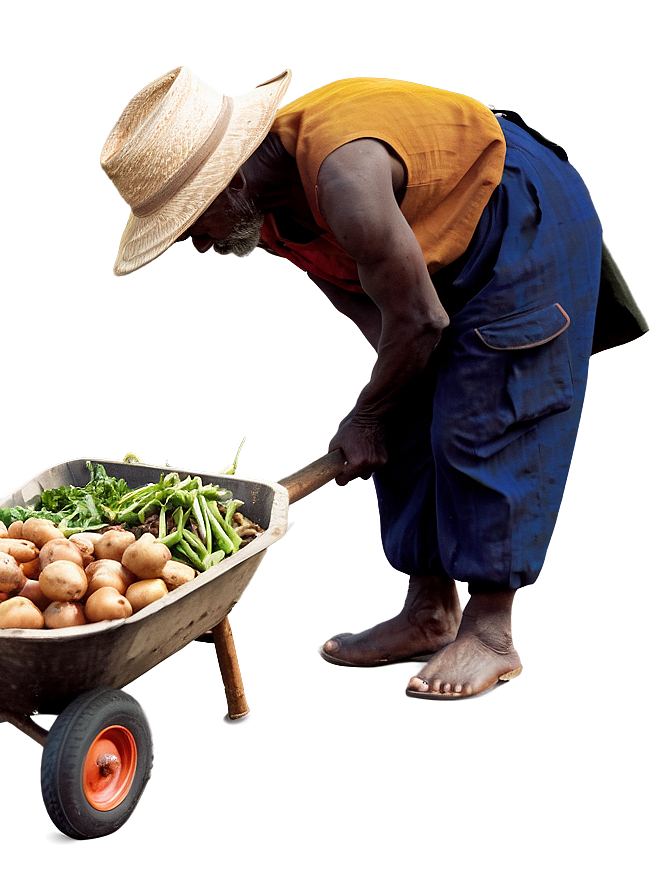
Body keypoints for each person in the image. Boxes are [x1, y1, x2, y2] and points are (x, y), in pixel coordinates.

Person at [100, 65, 648, 700]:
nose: (196, 244)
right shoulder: (274, 208)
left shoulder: (345, 177)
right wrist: (388, 403)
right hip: (440, 252)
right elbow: (375, 311)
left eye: (192, 222)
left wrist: (370, 410)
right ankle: (428, 611)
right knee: (406, 415)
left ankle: (492, 633)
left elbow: (417, 318)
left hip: (520, 218)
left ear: (229, 185)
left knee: (481, 421)